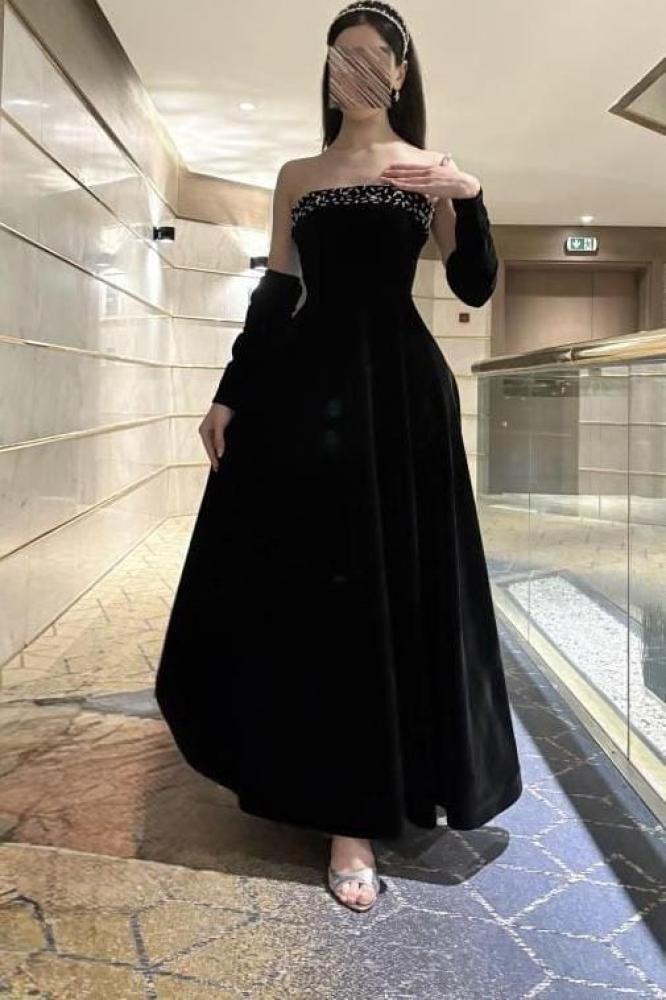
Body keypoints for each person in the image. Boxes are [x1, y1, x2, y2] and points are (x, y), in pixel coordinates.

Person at [154, 0, 522, 914]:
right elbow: (278, 294)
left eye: (369, 58)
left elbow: (475, 282)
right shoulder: (298, 174)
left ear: (399, 73)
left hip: (400, 395)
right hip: (304, 391)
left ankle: (373, 801)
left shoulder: (427, 169)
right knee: (315, 582)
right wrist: (231, 391)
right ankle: (324, 789)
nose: (352, 71)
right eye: (339, 58)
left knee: (392, 581)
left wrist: (467, 192)